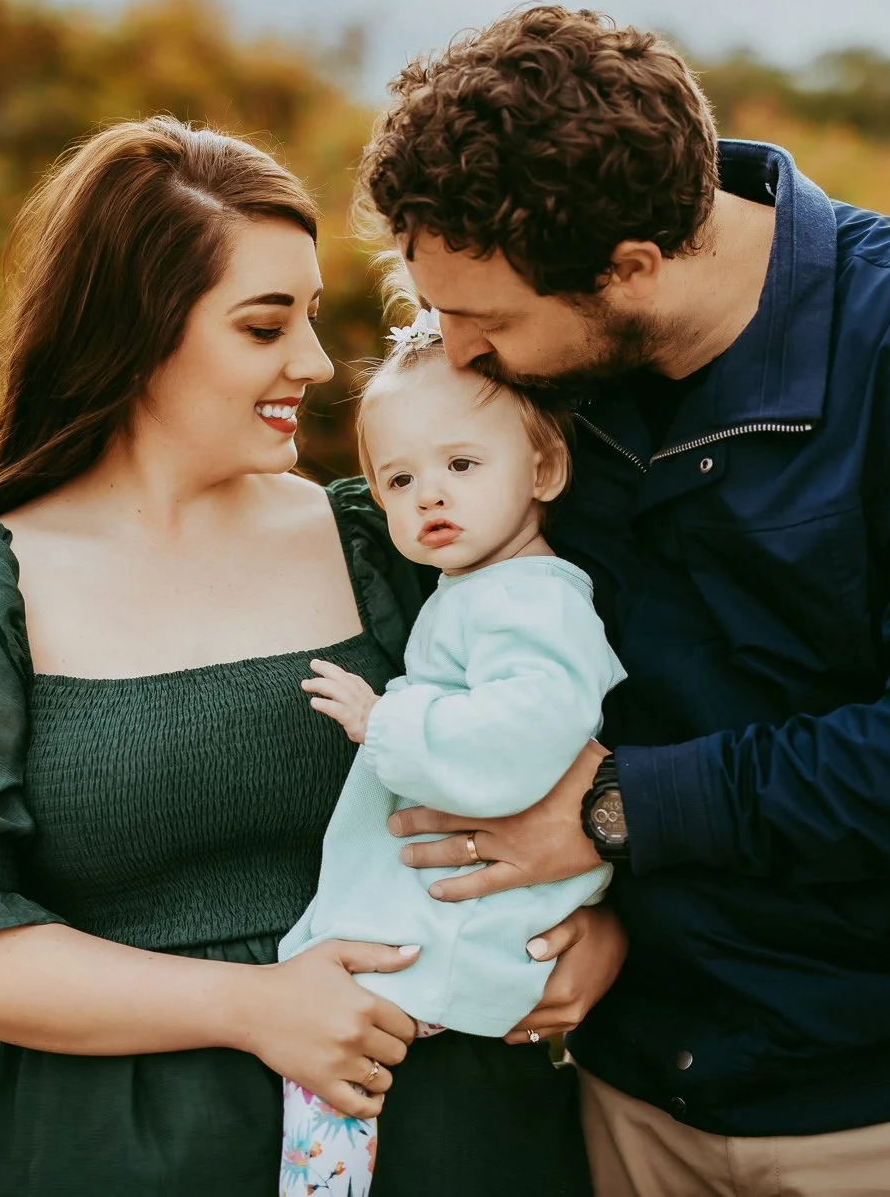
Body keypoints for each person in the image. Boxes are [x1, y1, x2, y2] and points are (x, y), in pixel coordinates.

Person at [356, 7, 890, 1195]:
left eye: (485, 320)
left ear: (630, 269)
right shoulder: (541, 386)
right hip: (629, 1096)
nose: (453, 353)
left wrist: (620, 808)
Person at [0, 117, 618, 1194]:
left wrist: (602, 931)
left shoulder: (380, 541)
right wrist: (252, 1006)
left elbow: (564, 731)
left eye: (313, 318)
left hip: (448, 1132)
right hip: (125, 1150)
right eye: (262, 324)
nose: (314, 362)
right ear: (137, 330)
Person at [278, 305, 626, 1193]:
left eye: (462, 466)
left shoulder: (533, 600)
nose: (428, 495)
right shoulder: (482, 591)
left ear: (543, 468)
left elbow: (524, 742)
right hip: (437, 930)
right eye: (396, 481)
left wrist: (379, 722)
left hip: (461, 935)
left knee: (331, 1094)